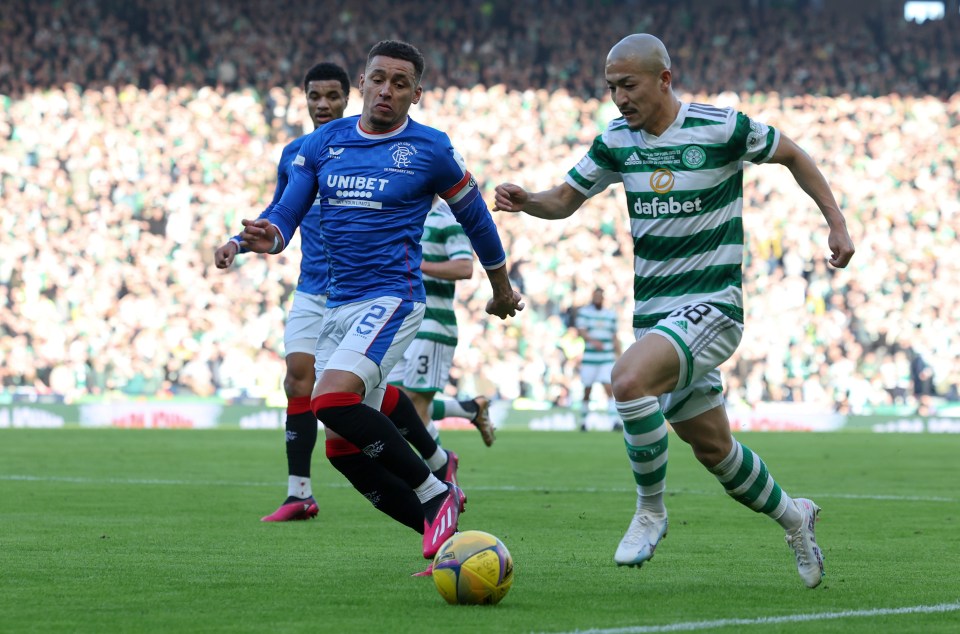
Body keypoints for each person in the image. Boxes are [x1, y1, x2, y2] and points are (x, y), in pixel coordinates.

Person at [493, 33, 854, 588]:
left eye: (628, 85)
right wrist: (527, 201)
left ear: (664, 79)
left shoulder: (721, 127)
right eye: (611, 87)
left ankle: (650, 511)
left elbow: (793, 155)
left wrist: (836, 222)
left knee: (627, 379)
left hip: (714, 306)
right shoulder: (616, 140)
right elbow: (565, 201)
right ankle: (795, 517)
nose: (618, 98)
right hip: (656, 317)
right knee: (717, 452)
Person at [240, 39, 523, 560]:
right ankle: (446, 541)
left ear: (415, 93)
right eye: (378, 79)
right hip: (337, 305)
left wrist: (500, 285)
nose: (386, 91)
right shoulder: (325, 143)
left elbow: (476, 217)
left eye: (399, 83)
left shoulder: (431, 148)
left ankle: (436, 490)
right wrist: (265, 238)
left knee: (327, 400)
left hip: (394, 298)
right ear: (363, 83)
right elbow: (288, 212)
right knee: (342, 447)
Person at [214, 63, 463, 527]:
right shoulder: (298, 152)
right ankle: (299, 491)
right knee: (301, 381)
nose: (323, 104)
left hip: (367, 290)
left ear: (350, 97)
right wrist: (238, 241)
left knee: (345, 393)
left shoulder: (378, 147)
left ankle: (433, 468)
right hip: (316, 288)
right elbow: (278, 213)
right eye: (315, 96)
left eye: (332, 96)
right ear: (304, 100)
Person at [388, 197, 497, 448]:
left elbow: (464, 267)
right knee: (391, 403)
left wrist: (417, 264)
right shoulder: (404, 212)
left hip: (432, 325)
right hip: (399, 324)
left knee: (415, 405)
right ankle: (470, 409)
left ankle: (439, 471)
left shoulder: (447, 220)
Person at [574, 287, 621, 431]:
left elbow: (614, 336)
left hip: (606, 357)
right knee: (587, 389)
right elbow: (581, 331)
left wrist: (619, 354)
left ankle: (614, 421)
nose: (597, 299)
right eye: (595, 297)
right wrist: (594, 342)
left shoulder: (611, 314)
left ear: (603, 298)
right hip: (590, 358)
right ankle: (583, 421)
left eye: (599, 297)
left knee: (608, 388)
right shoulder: (585, 313)